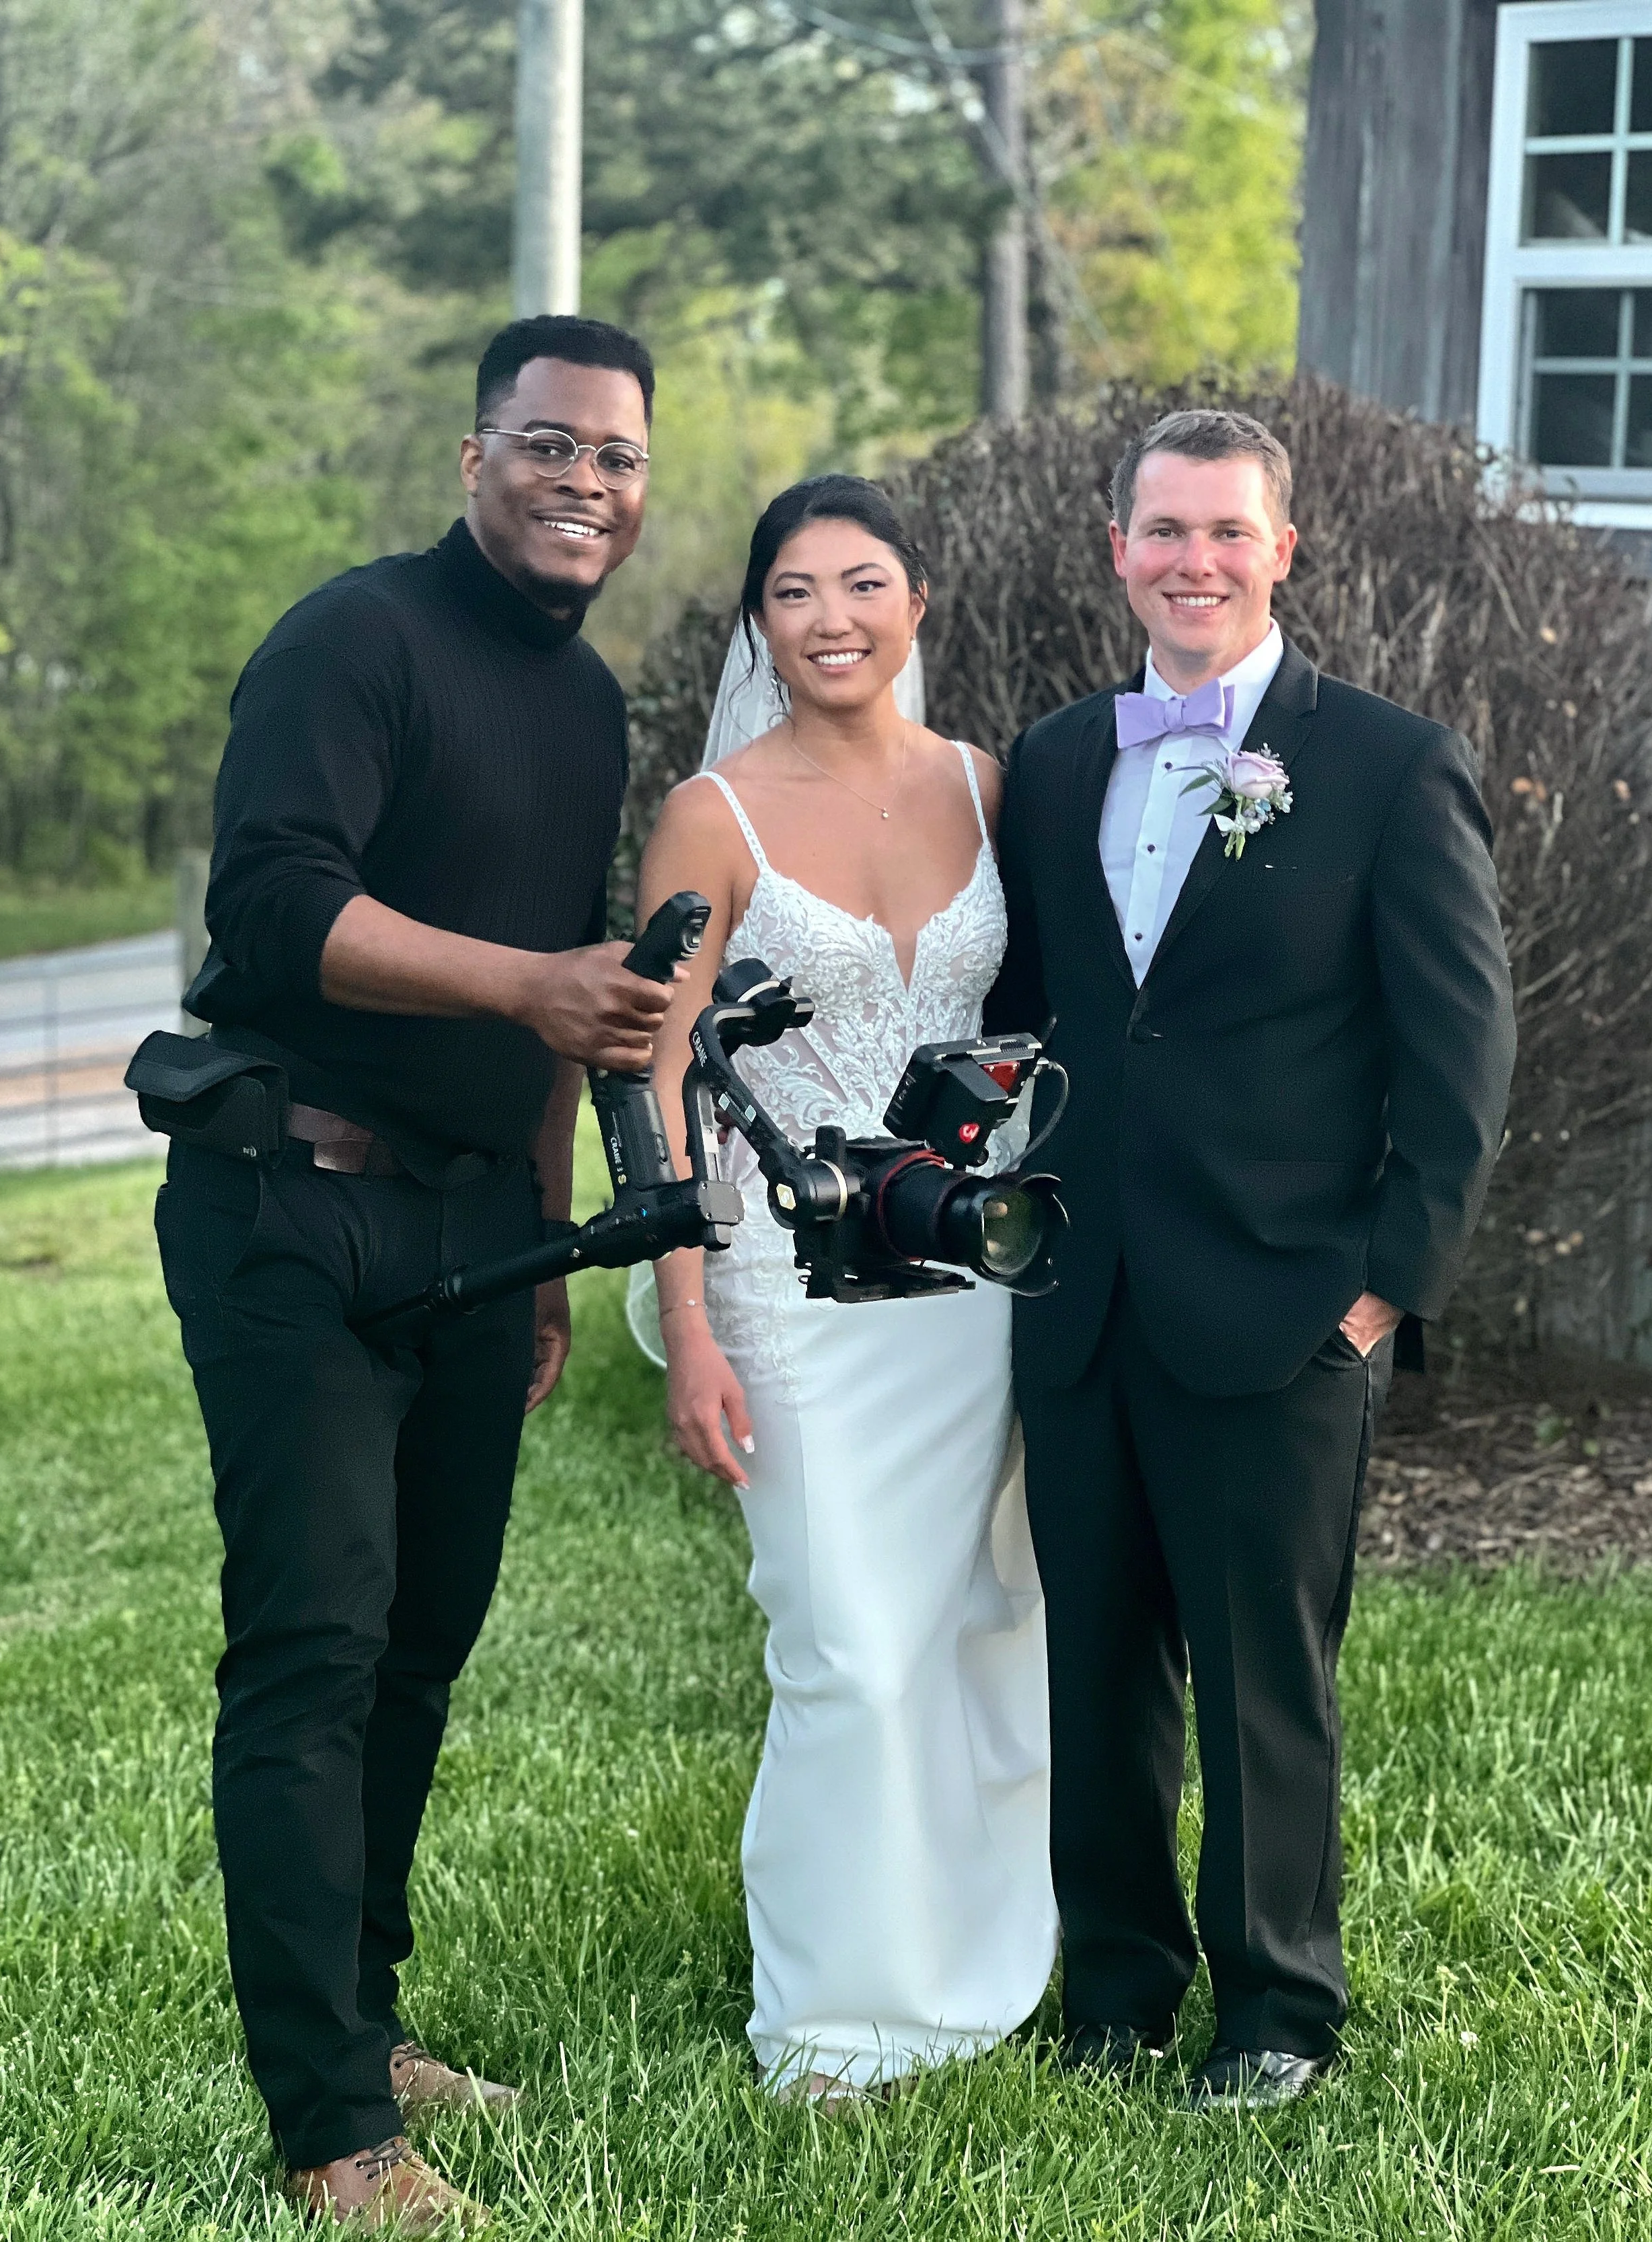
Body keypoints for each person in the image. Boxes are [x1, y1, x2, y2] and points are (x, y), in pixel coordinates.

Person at [154, 315, 672, 2231]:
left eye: (615, 456)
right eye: (548, 443)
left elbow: (564, 997)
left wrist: (541, 1256)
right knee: (315, 1647)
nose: (582, 481)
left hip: (472, 1231)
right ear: (475, 456)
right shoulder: (352, 640)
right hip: (291, 1207)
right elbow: (276, 901)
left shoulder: (589, 704)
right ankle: (330, 2128)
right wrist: (529, 982)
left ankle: (364, 2021)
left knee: (421, 1646)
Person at [989, 409, 1517, 2108]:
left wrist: (1378, 1291)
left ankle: (1276, 2010)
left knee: (1260, 1679)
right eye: (1162, 529)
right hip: (1082, 1299)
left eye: (1226, 530)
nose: (1192, 560)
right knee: (1096, 1666)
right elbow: (1039, 1016)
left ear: (1282, 548)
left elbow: (1460, 1059)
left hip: (1283, 1302)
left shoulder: (1386, 765)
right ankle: (1114, 1991)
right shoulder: (1054, 760)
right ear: (1117, 549)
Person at [636, 476, 1055, 2103]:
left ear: (915, 602)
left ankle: (984, 1963)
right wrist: (685, 1322)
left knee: (985, 1620)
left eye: (862, 583)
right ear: (758, 623)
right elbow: (654, 1076)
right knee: (846, 1646)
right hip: (784, 1277)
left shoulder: (983, 784)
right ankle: (834, 2020)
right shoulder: (711, 815)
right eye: (795, 592)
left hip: (964, 1268)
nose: (831, 618)